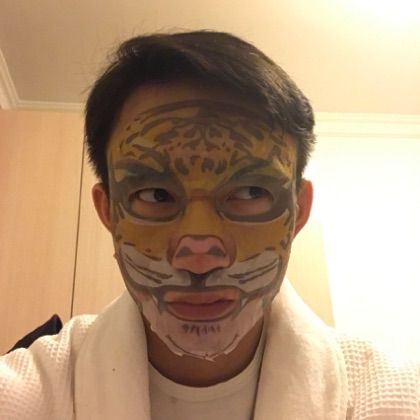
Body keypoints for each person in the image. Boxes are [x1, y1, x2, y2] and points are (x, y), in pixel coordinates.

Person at [0, 30, 419, 420]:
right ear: (108, 212)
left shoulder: (392, 397)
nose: (199, 256)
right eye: (156, 195)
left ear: (299, 210)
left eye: (250, 192)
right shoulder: (26, 391)